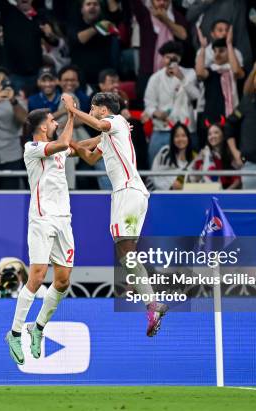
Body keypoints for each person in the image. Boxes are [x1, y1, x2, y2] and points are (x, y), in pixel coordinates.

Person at [68, 92, 168, 337]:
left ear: (103, 110)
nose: (90, 112)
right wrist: (66, 146)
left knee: (126, 251)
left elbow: (99, 125)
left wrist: (72, 109)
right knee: (124, 250)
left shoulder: (117, 121)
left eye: (92, 108)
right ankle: (150, 301)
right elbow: (88, 156)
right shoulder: (108, 134)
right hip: (126, 194)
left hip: (128, 192)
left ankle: (151, 300)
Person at [5, 97, 75, 366]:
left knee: (63, 281)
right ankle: (14, 332)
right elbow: (65, 143)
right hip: (42, 218)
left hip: (63, 219)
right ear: (43, 128)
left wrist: (109, 135)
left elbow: (77, 148)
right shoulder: (32, 147)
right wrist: (72, 114)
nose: (56, 122)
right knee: (36, 275)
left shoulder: (58, 149)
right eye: (52, 120)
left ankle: (39, 326)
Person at [142, 40, 198, 164]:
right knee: (155, 164)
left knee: (191, 166)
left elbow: (196, 96)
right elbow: (149, 104)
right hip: (162, 129)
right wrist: (156, 113)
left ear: (180, 58)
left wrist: (182, 78)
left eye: (174, 58)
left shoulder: (190, 73)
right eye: (167, 57)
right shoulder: (155, 78)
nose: (170, 61)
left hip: (186, 129)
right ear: (162, 58)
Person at [129, 0, 189, 98]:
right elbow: (134, 3)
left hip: (172, 72)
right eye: (157, 0)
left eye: (165, 0)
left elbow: (184, 35)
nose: (161, 3)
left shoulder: (177, 16)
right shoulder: (145, 15)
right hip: (148, 71)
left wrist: (165, 19)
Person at [195, 29, 245, 149]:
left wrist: (229, 44)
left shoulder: (234, 71)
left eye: (221, 51)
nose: (217, 54)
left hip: (232, 117)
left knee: (231, 151)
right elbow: (199, 73)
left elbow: (237, 71)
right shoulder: (211, 70)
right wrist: (202, 48)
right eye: (215, 51)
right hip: (211, 117)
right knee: (209, 151)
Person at [0, 0, 57, 94]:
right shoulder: (8, 11)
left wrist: (51, 35)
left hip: (36, 74)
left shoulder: (39, 16)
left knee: (36, 107)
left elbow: (54, 42)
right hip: (14, 74)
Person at [67, 0, 121, 87]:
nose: (92, 6)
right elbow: (79, 39)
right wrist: (98, 28)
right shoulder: (74, 23)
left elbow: (116, 15)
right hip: (81, 79)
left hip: (103, 78)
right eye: (88, 4)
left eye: (96, 4)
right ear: (81, 9)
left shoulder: (105, 20)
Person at [190, 123, 241, 190]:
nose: (212, 136)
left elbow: (238, 180)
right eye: (209, 134)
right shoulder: (203, 154)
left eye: (216, 133)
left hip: (227, 194)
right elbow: (195, 179)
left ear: (223, 135)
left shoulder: (231, 154)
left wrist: (224, 193)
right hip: (206, 192)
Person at [149, 122, 196, 191]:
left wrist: (183, 186)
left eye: (183, 135)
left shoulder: (194, 157)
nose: (180, 139)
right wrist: (171, 187)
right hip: (161, 194)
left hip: (185, 195)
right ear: (172, 139)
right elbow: (155, 175)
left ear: (188, 137)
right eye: (177, 136)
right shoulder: (165, 152)